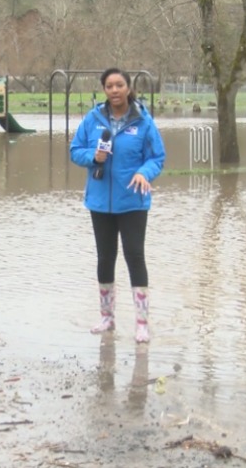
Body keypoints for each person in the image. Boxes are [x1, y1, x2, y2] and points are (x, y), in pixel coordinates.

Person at [69, 68, 166, 343]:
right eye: (109, 86)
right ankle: (107, 318)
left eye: (119, 85)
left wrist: (143, 173)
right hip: (100, 202)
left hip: (133, 201)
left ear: (128, 87)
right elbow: (75, 151)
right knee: (105, 257)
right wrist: (94, 157)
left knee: (135, 256)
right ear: (104, 90)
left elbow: (157, 157)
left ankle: (142, 323)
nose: (114, 90)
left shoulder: (143, 121)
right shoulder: (93, 119)